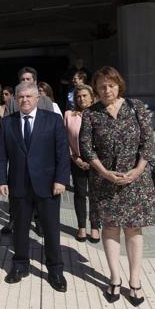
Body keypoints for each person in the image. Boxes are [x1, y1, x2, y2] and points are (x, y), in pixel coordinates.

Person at [79, 66, 155, 306]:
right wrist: (104, 172)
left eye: (110, 85)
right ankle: (114, 278)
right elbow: (87, 148)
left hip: (136, 181)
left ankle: (135, 282)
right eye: (101, 86)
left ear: (118, 85)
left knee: (134, 230)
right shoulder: (91, 114)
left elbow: (147, 142)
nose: (106, 90)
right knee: (110, 228)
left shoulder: (136, 108)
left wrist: (137, 170)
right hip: (105, 181)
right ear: (96, 89)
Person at [0, 81, 70, 292]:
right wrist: (1, 179)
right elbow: (1, 155)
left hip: (48, 185)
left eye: (29, 96)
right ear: (15, 100)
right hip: (18, 185)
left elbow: (62, 153)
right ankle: (20, 265)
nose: (25, 100)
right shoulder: (8, 122)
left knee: (51, 229)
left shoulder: (53, 120)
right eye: (21, 97)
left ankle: (55, 269)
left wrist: (61, 180)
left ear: (38, 99)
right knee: (19, 228)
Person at [1, 67, 54, 235]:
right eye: (22, 79)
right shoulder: (12, 101)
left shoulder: (44, 101)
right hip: (18, 155)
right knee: (16, 193)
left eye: (28, 79)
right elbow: (6, 128)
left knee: (39, 191)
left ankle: (39, 222)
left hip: (38, 155)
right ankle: (13, 220)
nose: (25, 82)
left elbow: (49, 129)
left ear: (35, 82)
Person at [64, 84, 99, 243]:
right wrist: (74, 158)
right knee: (79, 194)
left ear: (92, 97)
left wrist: (96, 161)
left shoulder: (100, 114)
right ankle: (81, 227)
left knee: (95, 195)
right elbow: (64, 139)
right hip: (77, 160)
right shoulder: (69, 115)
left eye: (85, 95)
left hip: (98, 162)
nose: (81, 99)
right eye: (78, 96)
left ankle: (95, 227)